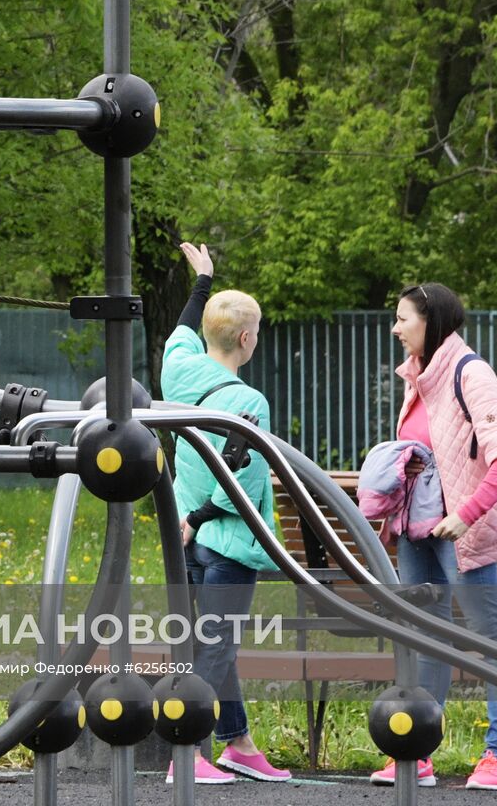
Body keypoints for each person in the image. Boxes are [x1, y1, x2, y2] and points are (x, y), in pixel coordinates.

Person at [369, 283, 497, 791]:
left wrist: (466, 516)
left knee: (490, 639)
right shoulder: (418, 377)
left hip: (458, 534)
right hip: (416, 531)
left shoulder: (470, 371)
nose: (395, 328)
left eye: (403, 319)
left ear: (432, 321)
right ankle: (420, 754)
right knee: (426, 637)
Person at [162, 242, 290, 784]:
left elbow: (181, 330)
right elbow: (246, 485)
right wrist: (207, 514)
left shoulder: (177, 370)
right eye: (256, 331)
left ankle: (237, 742)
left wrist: (203, 280)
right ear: (245, 339)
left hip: (188, 536)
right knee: (215, 649)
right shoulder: (248, 402)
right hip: (230, 540)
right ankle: (186, 754)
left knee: (214, 644)